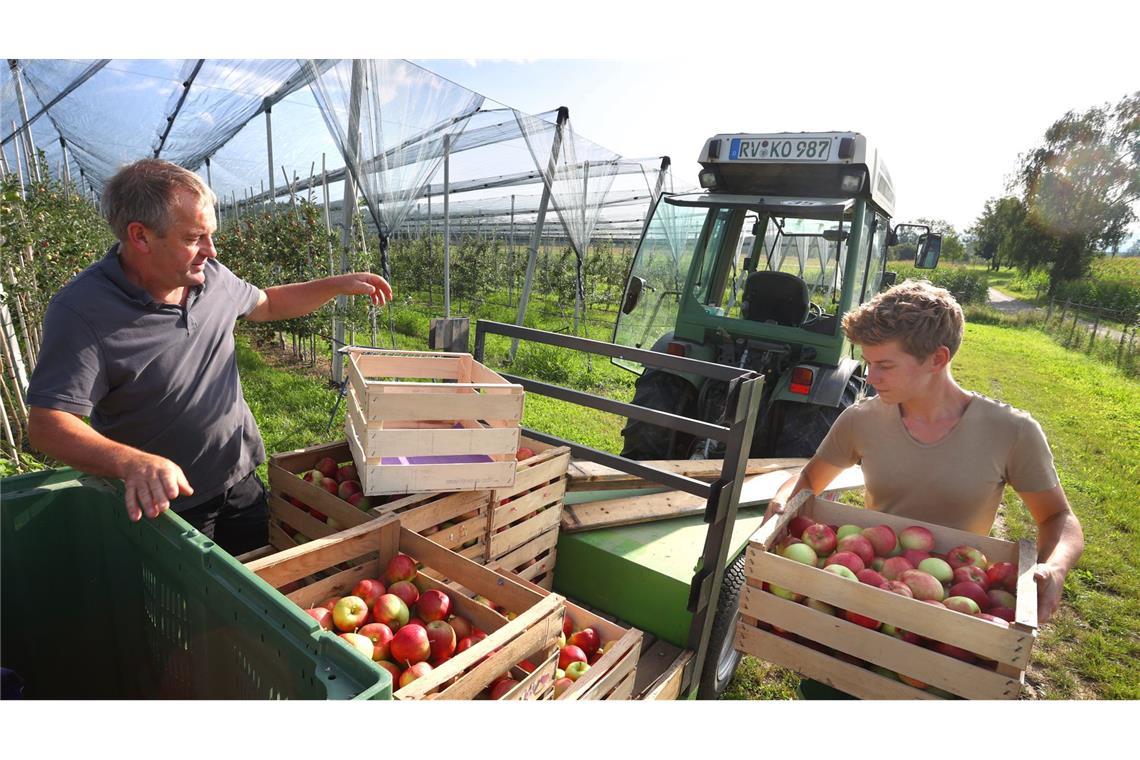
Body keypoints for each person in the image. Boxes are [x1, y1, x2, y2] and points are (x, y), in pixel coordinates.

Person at [26, 158, 392, 555]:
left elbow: (266, 303)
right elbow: (48, 424)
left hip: (240, 479)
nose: (211, 250)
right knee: (188, 611)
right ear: (141, 237)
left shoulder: (210, 277)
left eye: (210, 235)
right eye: (194, 238)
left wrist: (333, 285)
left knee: (256, 582)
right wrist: (128, 462)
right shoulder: (83, 311)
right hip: (166, 505)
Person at [765, 279, 1084, 627]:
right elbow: (811, 478)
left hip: (952, 602)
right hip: (871, 591)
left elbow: (1058, 518)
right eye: (868, 363)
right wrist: (783, 500)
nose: (870, 377)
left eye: (884, 365)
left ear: (937, 358)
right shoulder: (861, 419)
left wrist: (1055, 567)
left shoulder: (1012, 431)